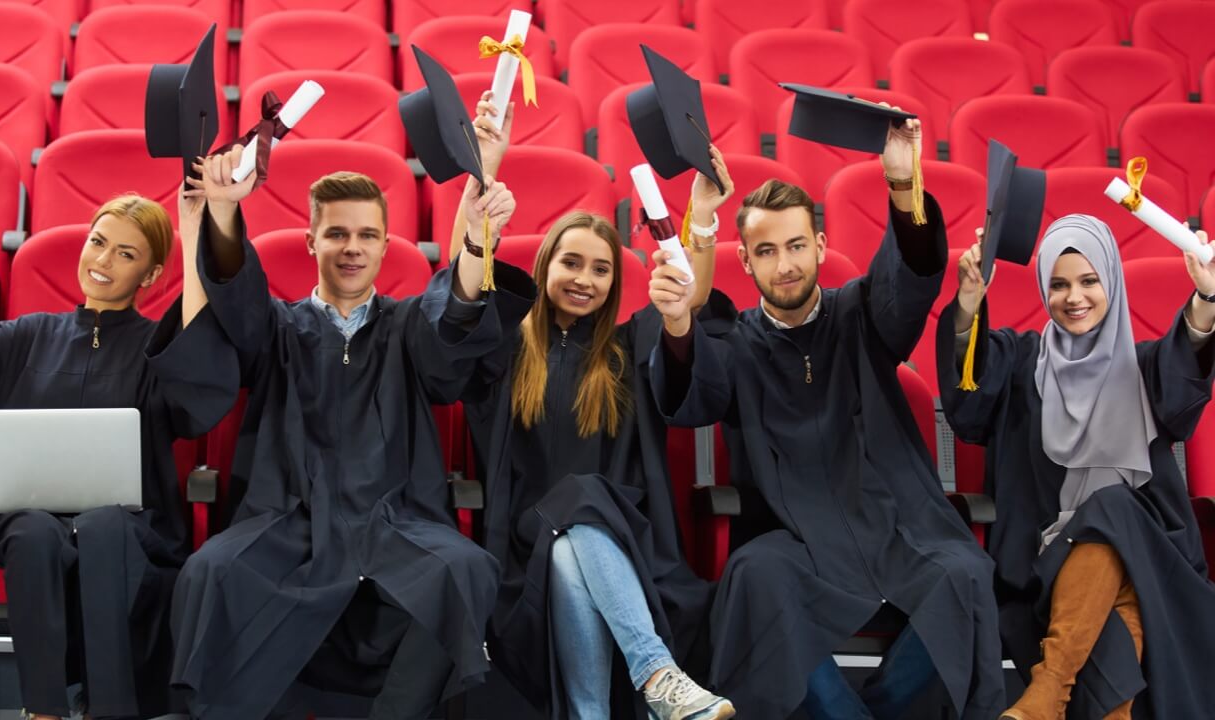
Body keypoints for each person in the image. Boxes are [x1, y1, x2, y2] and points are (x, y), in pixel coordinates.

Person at [651, 113, 1006, 719]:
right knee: (753, 578)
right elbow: (693, 398)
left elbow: (913, 280)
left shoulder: (862, 315)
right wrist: (679, 322)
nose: (784, 264)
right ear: (747, 264)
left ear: (819, 245)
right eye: (766, 251)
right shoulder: (735, 343)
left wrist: (901, 184)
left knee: (966, 574)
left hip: (898, 524)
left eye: (795, 245)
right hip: (796, 536)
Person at [167, 144, 537, 720]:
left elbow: (454, 328)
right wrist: (220, 210)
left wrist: (474, 236)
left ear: (386, 246)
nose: (352, 248)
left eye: (367, 235)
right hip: (290, 518)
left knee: (466, 569)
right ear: (311, 242)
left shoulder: (408, 326)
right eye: (337, 234)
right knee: (209, 571)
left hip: (394, 519)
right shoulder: (279, 328)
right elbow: (235, 299)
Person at [454, 93, 735, 720]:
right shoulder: (505, 345)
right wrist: (480, 186)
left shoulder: (629, 348)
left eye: (602, 269)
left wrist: (704, 224)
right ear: (545, 263)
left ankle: (616, 701)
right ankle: (658, 674)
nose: (585, 278)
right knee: (567, 519)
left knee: (575, 529)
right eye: (571, 262)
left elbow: (690, 308)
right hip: (518, 548)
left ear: (616, 283)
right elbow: (460, 289)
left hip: (626, 543)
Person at [0, 182, 238, 720]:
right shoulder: (25, 337)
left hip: (124, 526)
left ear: (148, 276)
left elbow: (198, 399)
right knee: (33, 532)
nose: (102, 260)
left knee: (103, 527)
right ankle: (44, 711)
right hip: (21, 523)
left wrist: (195, 242)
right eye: (98, 242)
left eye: (126, 254)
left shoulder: (154, 350)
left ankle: (110, 711)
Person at [938, 215, 1215, 720]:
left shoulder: (1145, 367)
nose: (1074, 297)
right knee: (1112, 614)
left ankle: (1048, 692)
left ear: (1111, 280)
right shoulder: (1021, 365)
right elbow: (969, 409)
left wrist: (1206, 300)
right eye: (1059, 284)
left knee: (1109, 507)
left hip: (1155, 555)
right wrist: (970, 302)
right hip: (1045, 566)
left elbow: (1183, 390)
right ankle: (1066, 698)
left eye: (1089, 281)